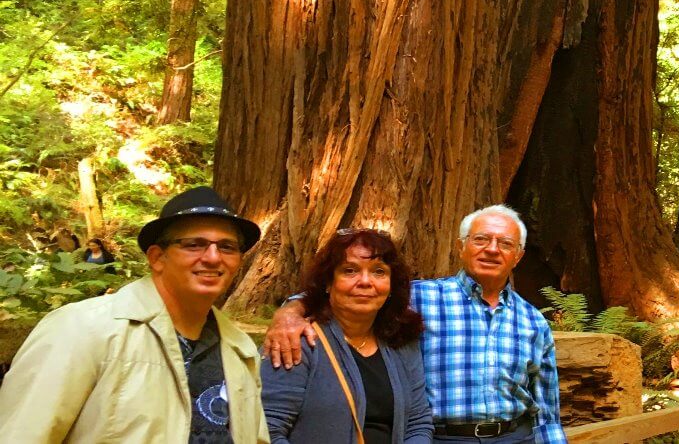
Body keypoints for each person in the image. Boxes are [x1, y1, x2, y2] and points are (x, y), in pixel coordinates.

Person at [267, 205, 567, 444]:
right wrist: (290, 311)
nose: (491, 249)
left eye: (505, 243)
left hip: (513, 437)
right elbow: (353, 291)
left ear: (519, 256)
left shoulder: (533, 321)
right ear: (461, 247)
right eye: (480, 239)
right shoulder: (420, 298)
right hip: (442, 438)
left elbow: (546, 412)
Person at [0, 185, 270, 443]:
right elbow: (21, 434)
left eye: (227, 247)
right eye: (193, 245)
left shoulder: (240, 348)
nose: (213, 257)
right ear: (157, 258)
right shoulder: (81, 329)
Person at [262, 229, 434, 443]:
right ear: (327, 283)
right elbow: (267, 429)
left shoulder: (400, 340)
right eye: (350, 270)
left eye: (379, 271)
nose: (365, 281)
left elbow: (418, 422)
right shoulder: (298, 340)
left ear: (390, 286)